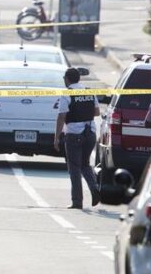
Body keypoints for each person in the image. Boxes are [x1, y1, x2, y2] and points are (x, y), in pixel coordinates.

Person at [54, 68, 100, 209]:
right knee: (85, 164)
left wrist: (56, 138)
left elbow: (62, 116)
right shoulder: (89, 91)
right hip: (90, 132)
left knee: (74, 168)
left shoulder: (67, 94)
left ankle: (77, 201)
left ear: (67, 79)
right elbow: (97, 112)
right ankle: (95, 189)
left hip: (74, 134)